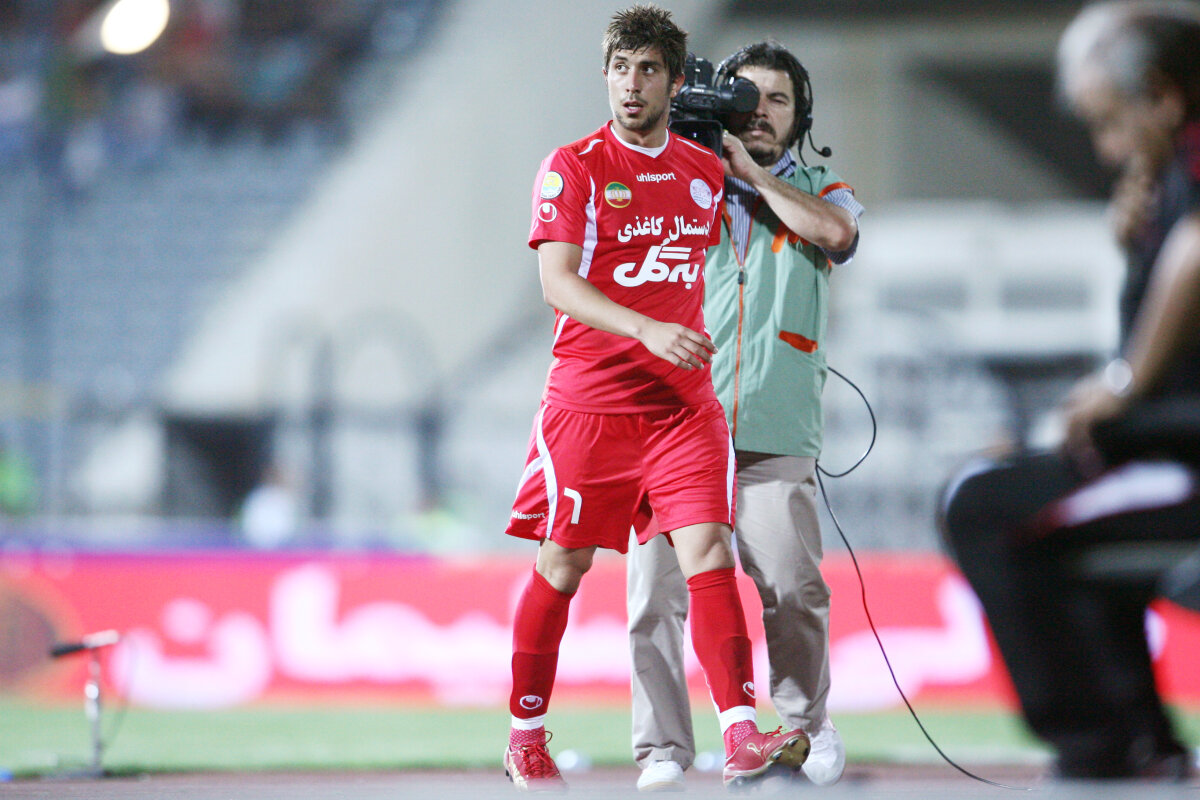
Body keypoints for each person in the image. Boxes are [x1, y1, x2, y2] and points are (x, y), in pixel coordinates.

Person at [502, 6, 810, 793]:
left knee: (708, 553)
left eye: (647, 69)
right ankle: (525, 734)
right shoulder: (573, 166)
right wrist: (645, 328)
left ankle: (740, 734)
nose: (630, 84)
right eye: (619, 68)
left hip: (682, 408)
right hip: (591, 408)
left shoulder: (703, 172)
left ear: (675, 82)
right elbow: (557, 283)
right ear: (605, 76)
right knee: (563, 564)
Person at [940, 0, 1200, 780]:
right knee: (1009, 492)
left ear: (1163, 96)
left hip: (1184, 457)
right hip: (1162, 443)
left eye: (1110, 121)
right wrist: (1135, 244)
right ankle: (1130, 740)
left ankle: (1108, 743)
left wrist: (1124, 383)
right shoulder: (1163, 183)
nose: (1106, 147)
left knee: (988, 508)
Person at [626, 40, 863, 792]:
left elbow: (838, 236)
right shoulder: (672, 178)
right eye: (745, 97)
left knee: (793, 587)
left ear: (800, 117)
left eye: (778, 101)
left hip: (773, 421)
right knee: (654, 597)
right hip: (672, 423)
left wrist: (751, 176)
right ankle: (663, 747)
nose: (758, 112)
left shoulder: (824, 188)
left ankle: (802, 727)